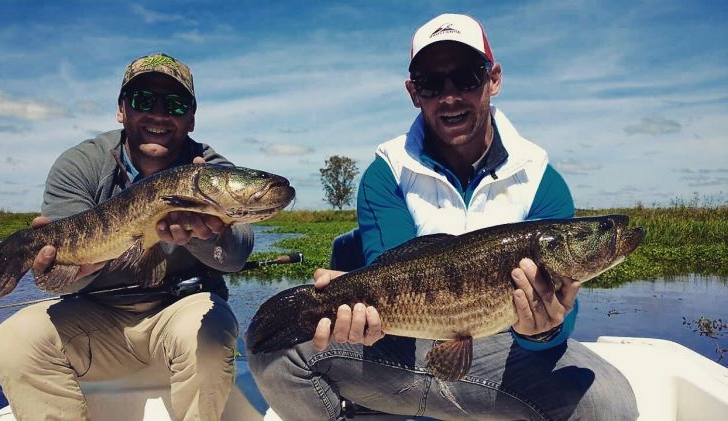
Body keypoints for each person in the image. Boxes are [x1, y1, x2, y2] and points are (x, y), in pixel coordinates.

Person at [248, 14, 638, 420]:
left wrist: (545, 331)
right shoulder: (387, 172)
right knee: (274, 354)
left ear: (494, 79)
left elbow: (562, 317)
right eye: (433, 84)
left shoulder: (541, 180)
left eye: (467, 77)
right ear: (414, 92)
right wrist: (357, 308)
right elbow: (391, 265)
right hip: (400, 343)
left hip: (507, 355)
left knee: (608, 404)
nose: (449, 96)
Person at [0, 53, 254, 420]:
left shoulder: (210, 170)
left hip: (178, 313)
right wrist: (75, 269)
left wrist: (202, 236)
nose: (159, 114)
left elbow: (238, 254)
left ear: (191, 118)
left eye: (175, 104)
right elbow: (58, 280)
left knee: (210, 332)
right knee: (15, 341)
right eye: (144, 101)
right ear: (122, 110)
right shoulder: (80, 165)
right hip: (97, 318)